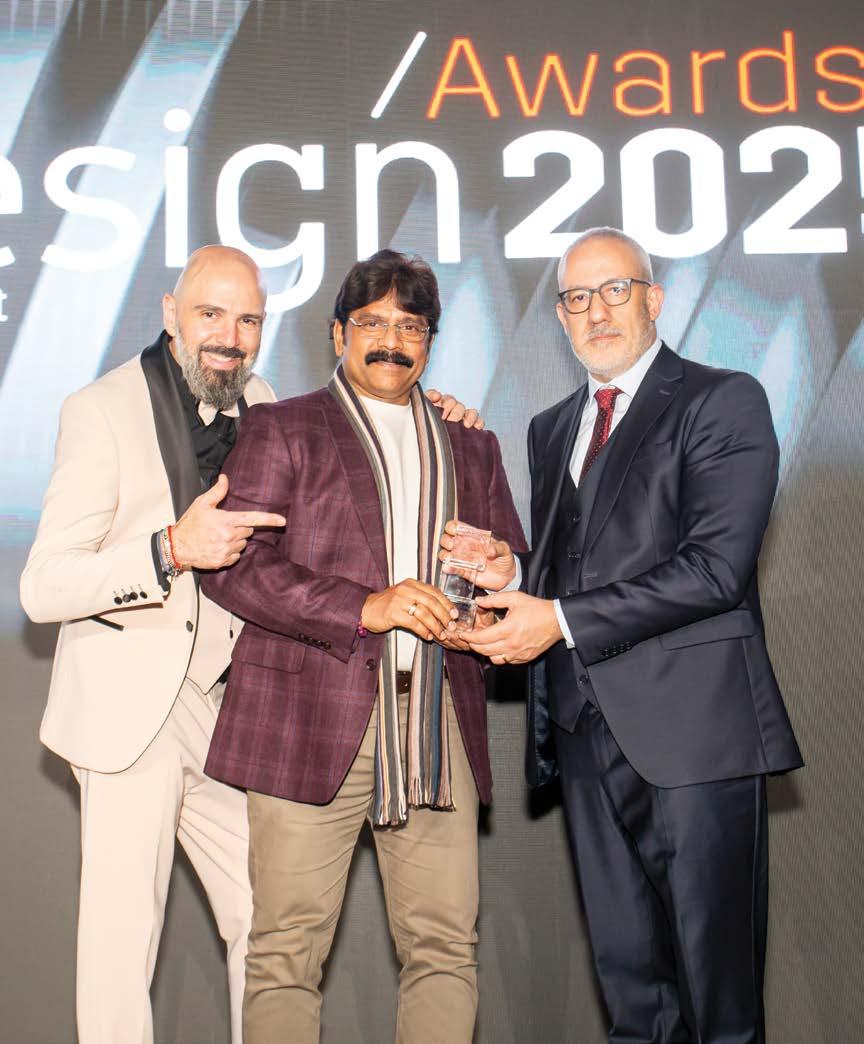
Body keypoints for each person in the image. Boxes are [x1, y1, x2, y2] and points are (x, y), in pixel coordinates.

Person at [19, 244, 479, 1044]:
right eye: (210, 314)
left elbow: (359, 423)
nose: (229, 336)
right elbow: (43, 586)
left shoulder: (263, 401)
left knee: (266, 924)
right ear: (171, 314)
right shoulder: (100, 409)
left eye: (249, 320)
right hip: (131, 709)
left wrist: (428, 411)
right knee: (124, 940)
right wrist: (169, 549)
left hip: (232, 708)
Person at [460, 227, 803, 1043]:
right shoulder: (551, 427)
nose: (597, 311)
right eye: (577, 297)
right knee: (633, 998)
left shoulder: (723, 399)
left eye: (615, 290)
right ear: (560, 317)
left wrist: (557, 619)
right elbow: (573, 564)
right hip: (585, 735)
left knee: (719, 1002)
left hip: (695, 738)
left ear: (655, 299)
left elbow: (715, 570)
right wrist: (513, 571)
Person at [201, 249, 526, 1044]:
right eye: (373, 323)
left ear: (430, 340)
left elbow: (511, 570)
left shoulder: (471, 444)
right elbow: (234, 569)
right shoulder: (283, 427)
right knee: (285, 951)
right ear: (338, 332)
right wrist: (364, 607)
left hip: (436, 724)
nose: (391, 341)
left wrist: (503, 575)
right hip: (307, 716)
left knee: (445, 948)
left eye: (410, 326)